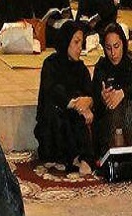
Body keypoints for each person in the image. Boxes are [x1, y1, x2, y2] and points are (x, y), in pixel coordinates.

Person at [34, 21, 94, 174]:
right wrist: (75, 104)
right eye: (76, 42)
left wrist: (88, 103)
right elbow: (53, 91)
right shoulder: (51, 64)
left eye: (81, 43)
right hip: (52, 125)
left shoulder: (81, 69)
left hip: (74, 120)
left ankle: (81, 158)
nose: (80, 47)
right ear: (66, 41)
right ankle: (70, 157)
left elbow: (89, 93)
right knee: (59, 112)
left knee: (80, 118)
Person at [92, 23, 132, 157]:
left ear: (123, 44)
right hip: (109, 123)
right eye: (108, 48)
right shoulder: (102, 67)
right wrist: (103, 97)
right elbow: (95, 101)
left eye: (116, 46)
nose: (113, 53)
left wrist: (123, 93)